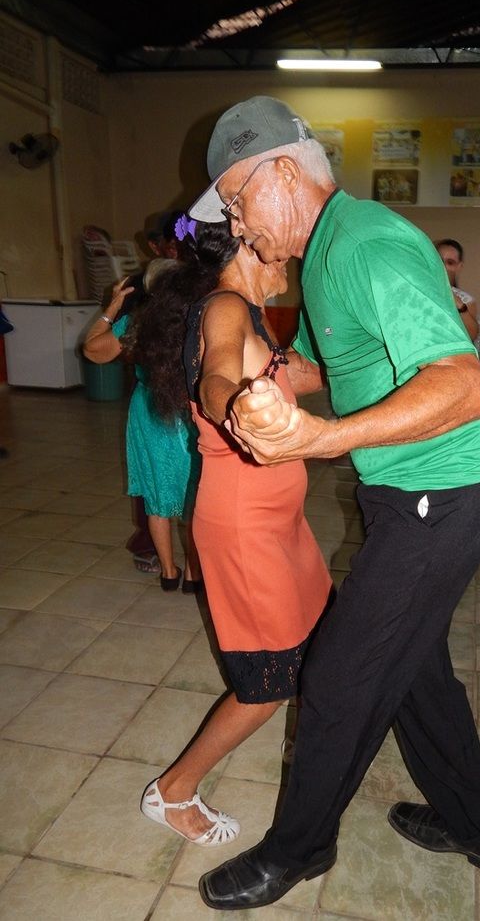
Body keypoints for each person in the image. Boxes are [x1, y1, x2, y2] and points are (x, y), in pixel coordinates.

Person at [188, 95, 480, 911]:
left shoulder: (363, 244)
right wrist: (253, 393)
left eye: (236, 199)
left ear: (285, 174)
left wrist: (316, 439)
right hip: (414, 488)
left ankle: (297, 847)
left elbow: (465, 385)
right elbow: (328, 369)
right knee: (415, 671)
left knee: (338, 676)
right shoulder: (327, 253)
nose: (235, 223)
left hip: (443, 487)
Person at [134, 217, 332, 846]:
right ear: (247, 245)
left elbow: (304, 376)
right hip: (245, 527)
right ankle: (172, 792)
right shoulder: (223, 306)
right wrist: (238, 405)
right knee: (266, 682)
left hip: (280, 521)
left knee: (313, 640)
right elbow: (218, 377)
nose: (289, 262)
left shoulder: (250, 312)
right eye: (283, 253)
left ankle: (312, 754)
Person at [82, 261, 202, 591]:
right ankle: (194, 575)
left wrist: (114, 306)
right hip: (187, 412)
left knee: (157, 498)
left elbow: (93, 349)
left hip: (149, 412)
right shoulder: (201, 317)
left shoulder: (136, 324)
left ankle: (168, 572)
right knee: (194, 498)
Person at [121, 209, 184, 574]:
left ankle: (183, 565)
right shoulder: (139, 285)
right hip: (153, 392)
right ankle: (154, 549)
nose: (176, 248)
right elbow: (109, 344)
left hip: (188, 397)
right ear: (155, 244)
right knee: (154, 476)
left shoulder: (200, 283)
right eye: (170, 241)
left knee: (190, 477)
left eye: (183, 241)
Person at [434, 238, 479, 341]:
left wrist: (459, 305)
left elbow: (471, 336)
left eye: (450, 263)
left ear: (459, 267)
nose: (443, 267)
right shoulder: (417, 290)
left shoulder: (466, 300)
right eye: (439, 261)